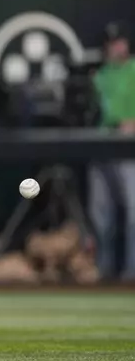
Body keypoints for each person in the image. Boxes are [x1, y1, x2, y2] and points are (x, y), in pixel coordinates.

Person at [88, 21, 135, 280]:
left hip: (130, 147)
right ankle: (103, 273)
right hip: (102, 143)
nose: (115, 47)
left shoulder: (134, 70)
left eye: (119, 42)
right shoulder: (102, 75)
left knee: (133, 215)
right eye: (110, 43)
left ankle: (131, 272)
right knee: (101, 215)